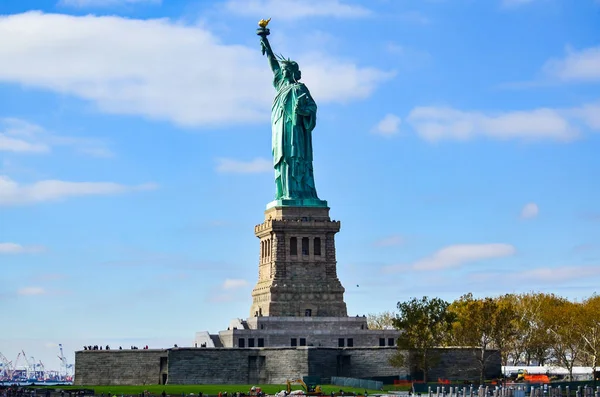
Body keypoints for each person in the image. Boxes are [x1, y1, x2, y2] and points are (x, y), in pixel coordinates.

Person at [258, 29, 320, 202]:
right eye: (282, 69)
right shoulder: (281, 87)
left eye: (286, 69)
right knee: (283, 159)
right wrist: (265, 42)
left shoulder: (300, 89)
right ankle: (285, 192)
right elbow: (273, 65)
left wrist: (302, 111)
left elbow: (312, 108)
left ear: (293, 72)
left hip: (295, 131)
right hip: (280, 131)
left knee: (295, 158)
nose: (283, 71)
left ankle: (299, 193)